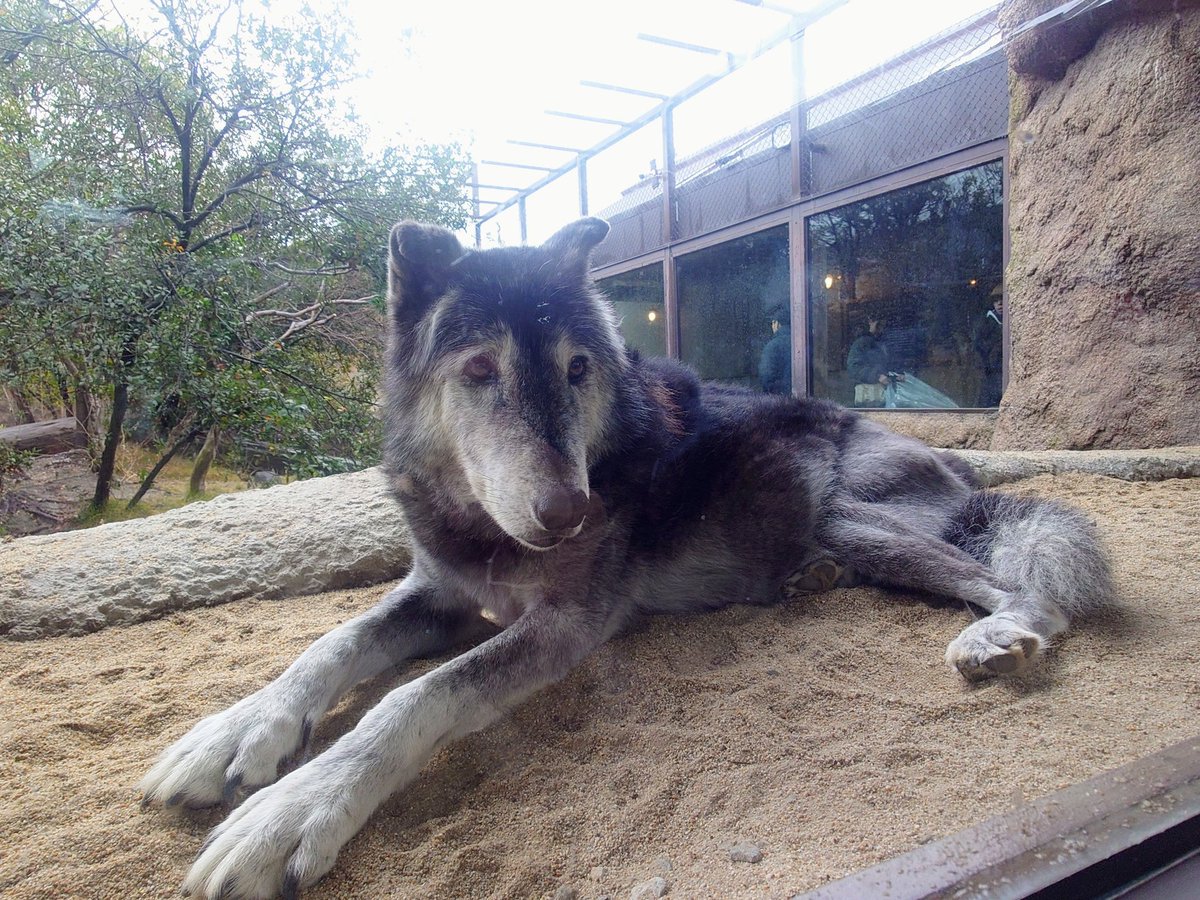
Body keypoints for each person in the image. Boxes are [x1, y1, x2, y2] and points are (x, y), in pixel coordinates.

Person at [973, 286, 1004, 407]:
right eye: (996, 301)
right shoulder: (985, 323)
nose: (1000, 303)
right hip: (991, 370)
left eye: (1002, 299)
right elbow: (979, 346)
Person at [758, 307, 792, 394]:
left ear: (776, 324)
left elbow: (766, 378)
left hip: (781, 399)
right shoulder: (803, 342)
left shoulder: (773, 346)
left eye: (772, 323)